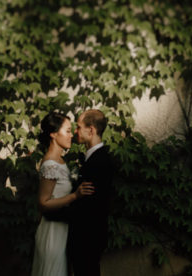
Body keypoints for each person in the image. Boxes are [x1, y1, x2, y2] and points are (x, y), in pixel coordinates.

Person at [31, 112, 94, 276]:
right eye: (67, 130)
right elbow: (43, 204)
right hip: (52, 232)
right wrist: (75, 196)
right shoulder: (50, 164)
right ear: (53, 134)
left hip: (64, 229)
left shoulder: (61, 161)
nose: (71, 134)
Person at [67, 109, 114, 276]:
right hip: (87, 237)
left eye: (79, 127)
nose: (75, 131)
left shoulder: (100, 161)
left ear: (91, 130)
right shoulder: (93, 158)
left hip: (87, 238)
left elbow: (91, 206)